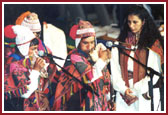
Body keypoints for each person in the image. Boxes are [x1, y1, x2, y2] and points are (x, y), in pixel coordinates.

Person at [110, 5, 163, 111]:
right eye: (129, 22)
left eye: (135, 22)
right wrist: (124, 89)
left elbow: (155, 73)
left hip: (144, 94)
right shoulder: (120, 43)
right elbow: (115, 70)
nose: (131, 26)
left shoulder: (152, 45)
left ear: (143, 22)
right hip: (123, 94)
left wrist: (136, 90)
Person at [52, 20, 112, 111]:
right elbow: (90, 76)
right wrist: (102, 60)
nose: (90, 47)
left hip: (96, 102)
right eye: (85, 43)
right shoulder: (74, 57)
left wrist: (108, 99)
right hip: (77, 103)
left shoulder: (93, 55)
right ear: (78, 42)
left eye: (92, 42)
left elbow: (104, 80)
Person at [4, 25, 57, 111]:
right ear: (23, 48)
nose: (36, 52)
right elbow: (25, 93)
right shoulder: (13, 64)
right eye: (33, 49)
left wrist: (43, 97)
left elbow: (37, 86)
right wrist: (36, 70)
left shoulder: (27, 62)